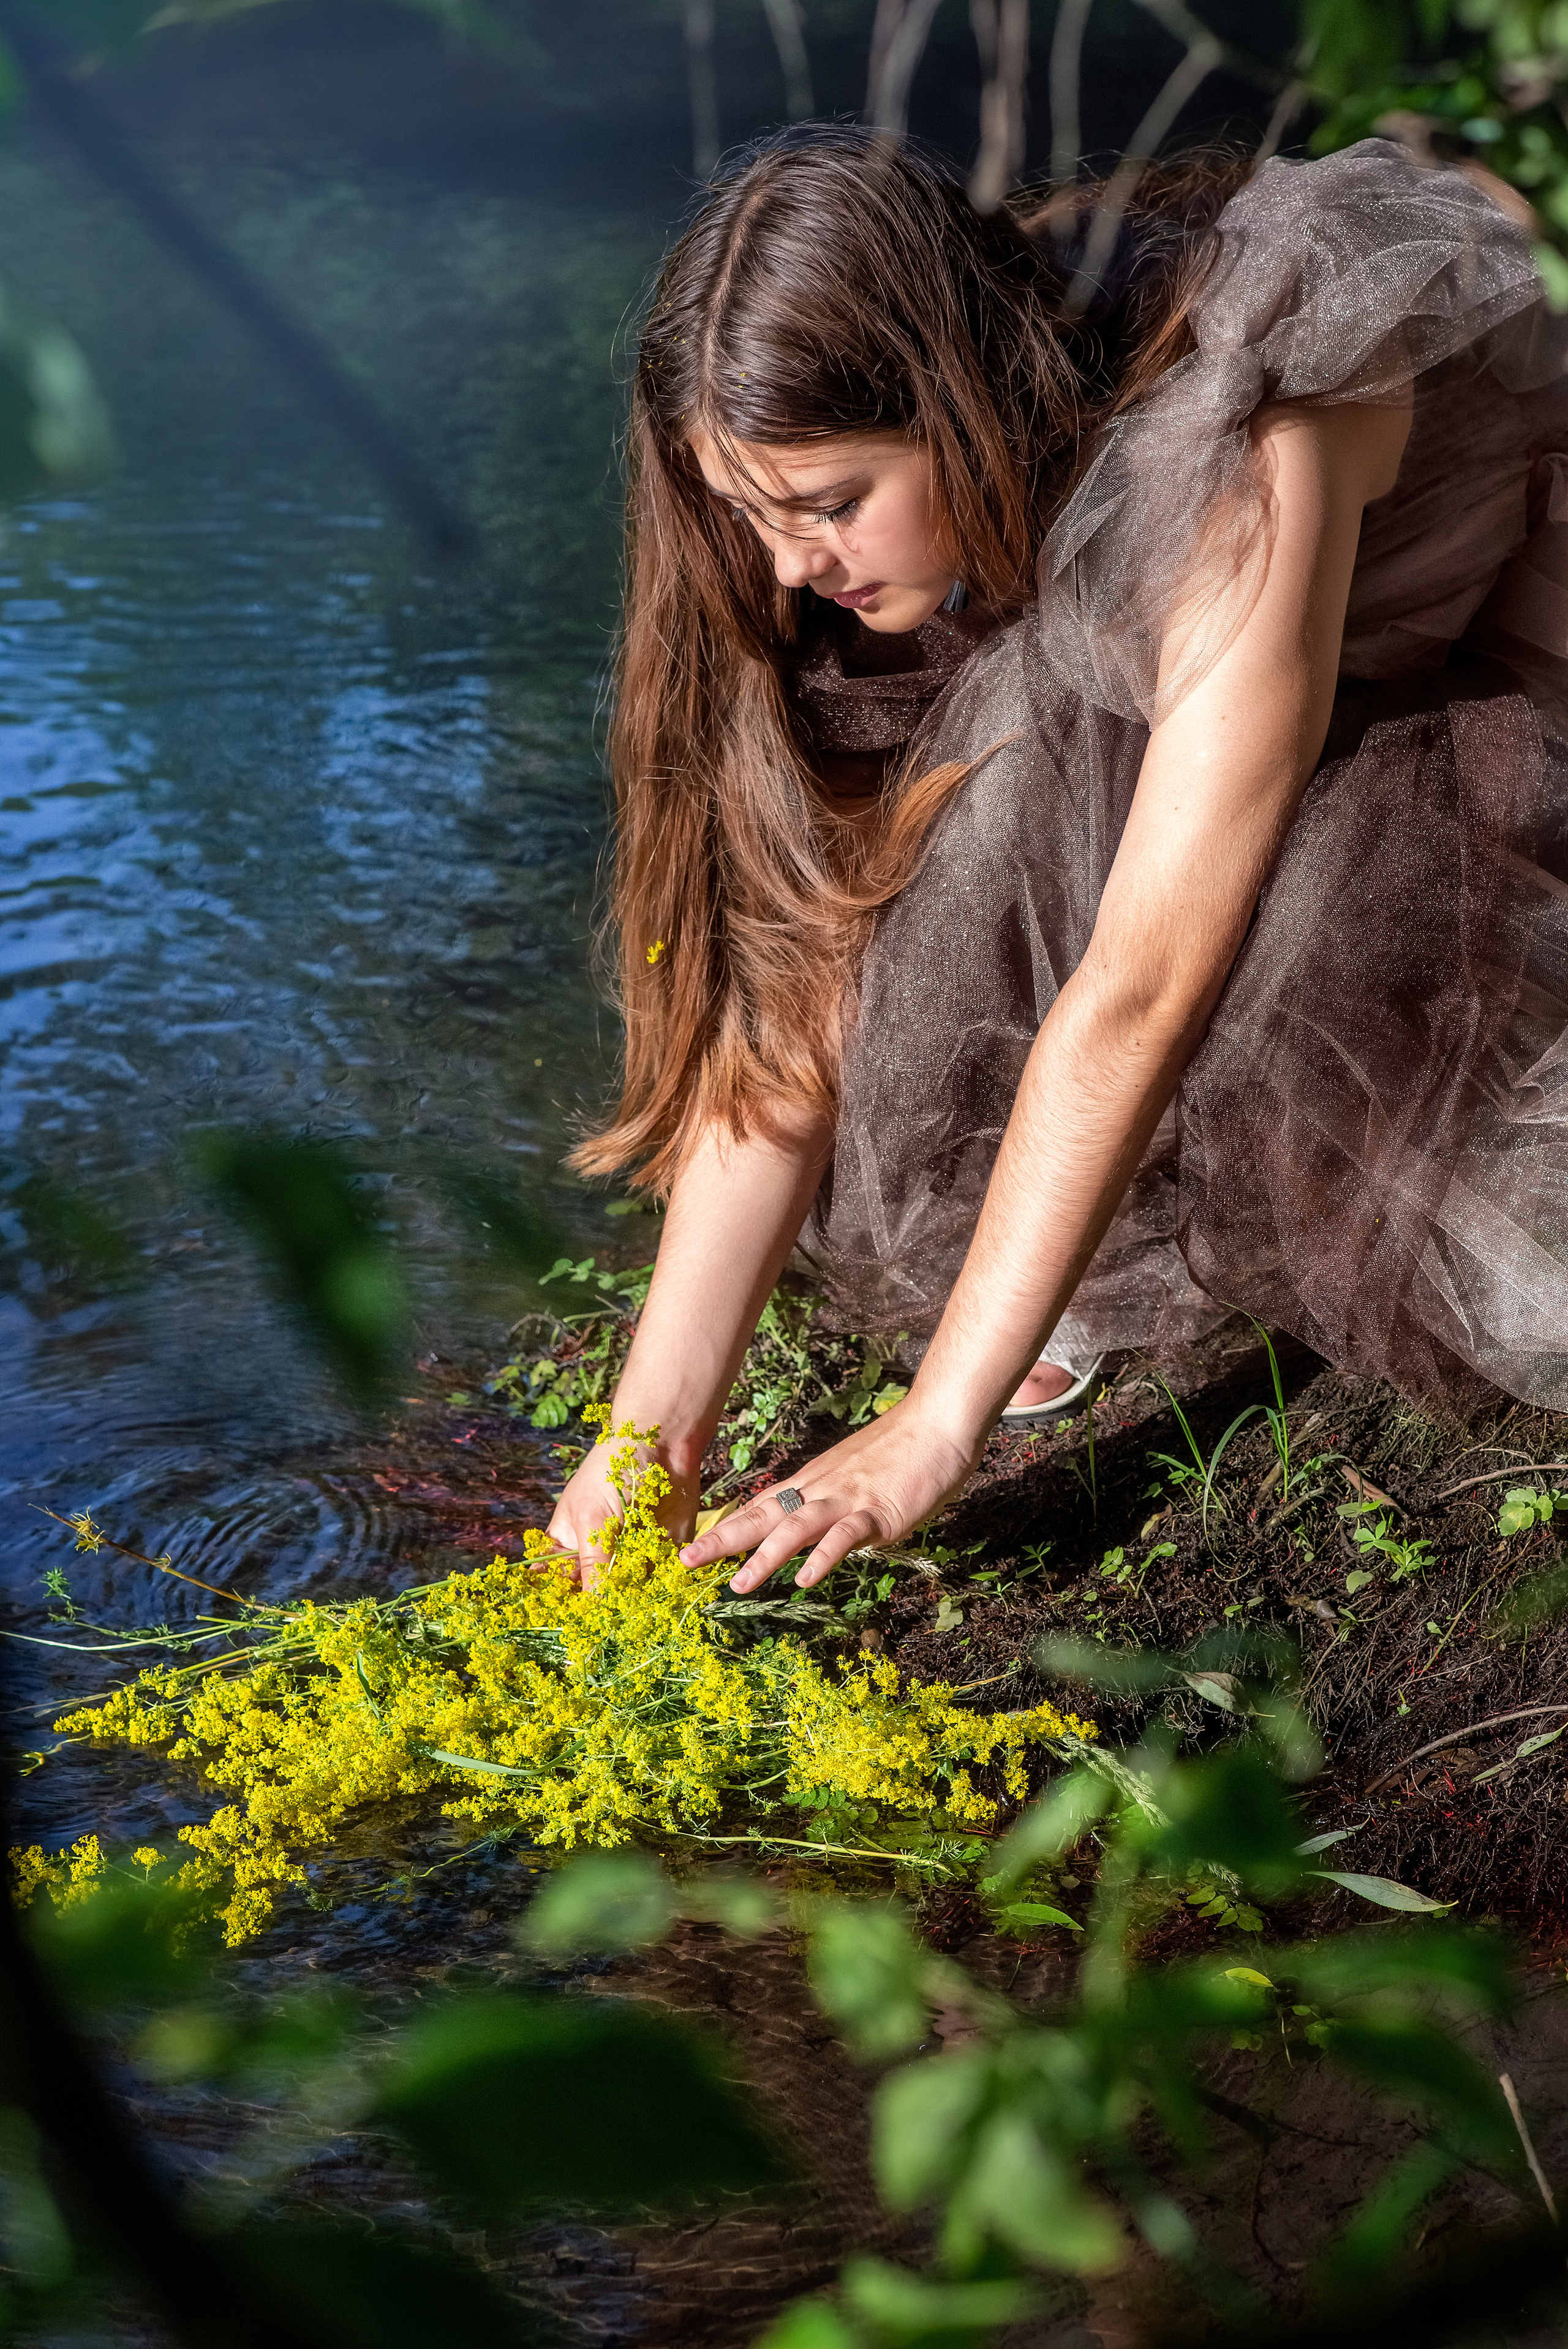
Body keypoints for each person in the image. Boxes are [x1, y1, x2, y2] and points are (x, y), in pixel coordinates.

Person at [546, 123, 1568, 1596]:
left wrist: (932, 1421)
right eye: (748, 513)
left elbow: (1142, 981)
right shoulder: (815, 562)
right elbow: (790, 973)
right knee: (966, 793)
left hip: (1480, 645)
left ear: (953, 405)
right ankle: (1052, 1262)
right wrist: (650, 1436)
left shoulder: (1245, 438)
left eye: (830, 505)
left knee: (1313, 989)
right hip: (1188, 649)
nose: (787, 566)